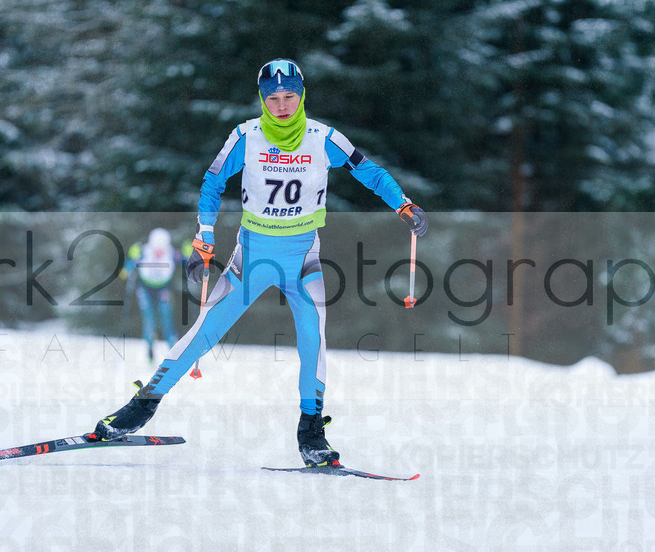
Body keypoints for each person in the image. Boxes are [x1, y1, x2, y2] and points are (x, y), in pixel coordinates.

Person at [87, 58, 428, 466]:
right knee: (203, 334)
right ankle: (138, 409)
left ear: (301, 96)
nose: (282, 105)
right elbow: (213, 182)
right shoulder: (245, 136)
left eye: (289, 97)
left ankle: (311, 432)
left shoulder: (323, 138)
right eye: (273, 98)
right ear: (262, 100)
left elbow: (368, 172)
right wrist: (204, 236)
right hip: (252, 258)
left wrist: (402, 204)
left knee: (312, 340)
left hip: (303, 258)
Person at [122, 227, 181, 363]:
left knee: (166, 317)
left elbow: (186, 260)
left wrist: (190, 253)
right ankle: (149, 351)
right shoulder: (143, 251)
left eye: (162, 249)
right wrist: (128, 266)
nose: (159, 252)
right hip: (145, 289)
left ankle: (173, 352)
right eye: (157, 248)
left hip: (163, 289)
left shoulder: (171, 253)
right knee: (149, 321)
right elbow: (129, 265)